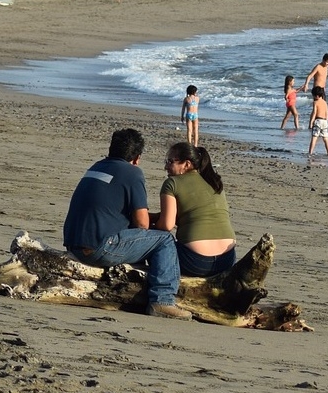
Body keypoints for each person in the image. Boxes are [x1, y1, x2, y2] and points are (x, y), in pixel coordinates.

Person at [63, 128, 192, 320]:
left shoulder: (97, 166)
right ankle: (162, 300)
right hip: (99, 248)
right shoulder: (132, 173)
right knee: (164, 239)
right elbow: (141, 223)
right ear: (137, 158)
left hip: (75, 243)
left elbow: (115, 211)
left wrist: (155, 217)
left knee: (144, 238)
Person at [153, 143, 236, 277]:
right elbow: (194, 213)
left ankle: (161, 289)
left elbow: (166, 225)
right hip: (227, 260)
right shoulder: (214, 183)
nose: (166, 166)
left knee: (160, 239)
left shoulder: (172, 183)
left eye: (170, 161)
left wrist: (148, 227)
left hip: (195, 262)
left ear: (186, 164)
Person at [307, 86, 328, 156]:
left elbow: (314, 113)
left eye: (313, 96)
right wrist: (327, 122)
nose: (313, 97)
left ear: (317, 96)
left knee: (314, 137)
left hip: (318, 120)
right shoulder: (325, 103)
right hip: (324, 121)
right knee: (326, 138)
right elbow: (327, 113)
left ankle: (310, 152)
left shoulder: (316, 102)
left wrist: (311, 123)